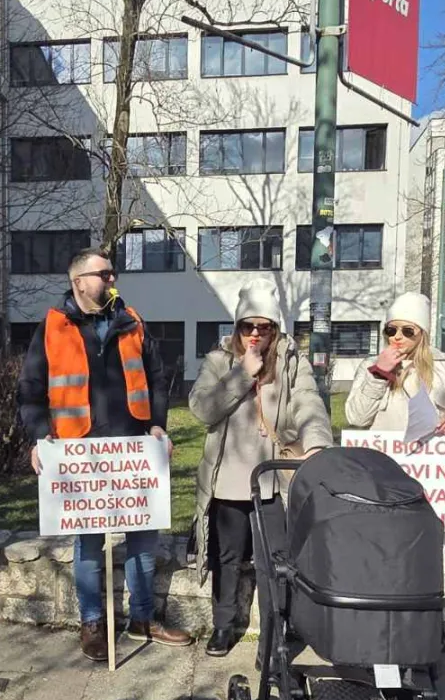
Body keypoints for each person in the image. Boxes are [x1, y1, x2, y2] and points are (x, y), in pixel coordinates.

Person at [18, 248, 193, 662]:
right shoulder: (51, 326)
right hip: (78, 451)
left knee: (143, 544)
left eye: (112, 274)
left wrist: (157, 424)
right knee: (89, 546)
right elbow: (29, 387)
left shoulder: (131, 321)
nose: (113, 280)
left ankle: (143, 618)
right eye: (104, 274)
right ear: (78, 280)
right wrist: (40, 436)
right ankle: (93, 623)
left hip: (133, 448)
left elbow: (155, 376)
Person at [189, 284, 333, 657]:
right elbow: (202, 409)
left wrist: (316, 441)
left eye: (264, 327)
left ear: (275, 329)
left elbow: (307, 401)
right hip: (227, 480)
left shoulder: (289, 361)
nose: (255, 333)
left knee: (277, 561)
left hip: (272, 480)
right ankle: (223, 625)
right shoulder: (219, 360)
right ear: (236, 327)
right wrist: (241, 374)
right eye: (247, 326)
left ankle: (276, 631)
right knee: (227, 559)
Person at [343, 292, 445, 605]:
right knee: (384, 543)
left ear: (423, 334)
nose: (398, 338)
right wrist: (378, 374)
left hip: (431, 471)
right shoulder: (370, 365)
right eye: (391, 330)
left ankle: (431, 613)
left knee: (429, 545)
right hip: (383, 471)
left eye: (408, 331)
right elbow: (355, 416)